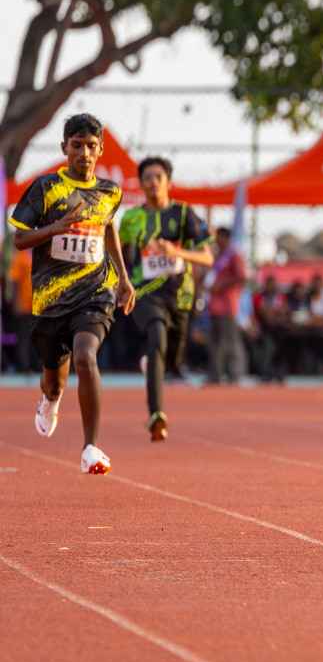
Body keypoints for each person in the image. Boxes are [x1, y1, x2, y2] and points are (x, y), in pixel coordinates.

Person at [8, 113, 136, 474]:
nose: (83, 152)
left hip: (95, 291)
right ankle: (51, 399)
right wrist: (54, 228)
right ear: (64, 147)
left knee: (85, 356)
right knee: (53, 380)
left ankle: (90, 447)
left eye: (90, 146)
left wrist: (123, 278)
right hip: (50, 300)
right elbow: (19, 239)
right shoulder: (45, 188)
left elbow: (107, 226)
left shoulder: (110, 192)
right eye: (76, 145)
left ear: (100, 150)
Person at [117, 156, 215, 440]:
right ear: (140, 183)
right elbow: (119, 253)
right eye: (146, 177)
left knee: (170, 359)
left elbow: (207, 257)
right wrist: (119, 282)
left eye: (157, 176)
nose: (152, 182)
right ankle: (156, 415)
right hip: (144, 292)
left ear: (168, 182)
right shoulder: (132, 219)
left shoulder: (184, 214)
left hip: (181, 298)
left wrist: (176, 253)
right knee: (157, 336)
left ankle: (156, 362)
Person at [205, 227, 248, 383]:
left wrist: (222, 286)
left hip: (227, 305)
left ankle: (235, 373)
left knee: (231, 342)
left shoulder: (234, 256)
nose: (216, 240)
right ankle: (215, 374)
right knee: (214, 343)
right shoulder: (218, 256)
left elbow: (242, 278)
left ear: (225, 237)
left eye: (218, 236)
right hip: (213, 305)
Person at [253, 275, 289, 382]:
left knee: (282, 345)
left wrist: (275, 317)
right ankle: (265, 370)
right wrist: (274, 316)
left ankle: (279, 370)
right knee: (268, 346)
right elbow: (264, 314)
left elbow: (284, 310)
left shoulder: (280, 297)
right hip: (264, 328)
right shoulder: (259, 297)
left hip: (279, 328)